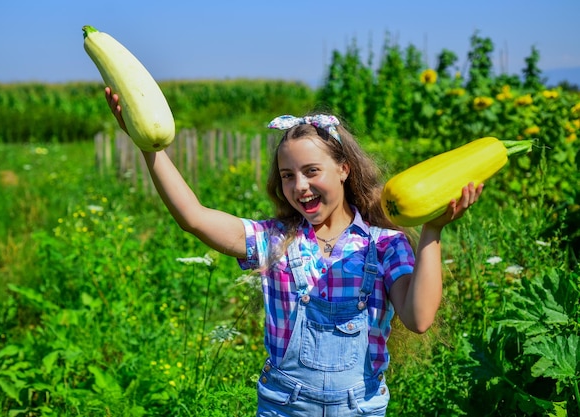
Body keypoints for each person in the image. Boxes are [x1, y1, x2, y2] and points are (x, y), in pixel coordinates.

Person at [105, 87, 483, 416]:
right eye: (288, 175)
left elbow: (418, 318)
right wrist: (148, 146)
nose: (300, 186)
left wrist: (433, 229)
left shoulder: (385, 244)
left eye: (311, 171)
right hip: (283, 406)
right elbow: (194, 217)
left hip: (360, 408)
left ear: (344, 170)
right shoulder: (276, 240)